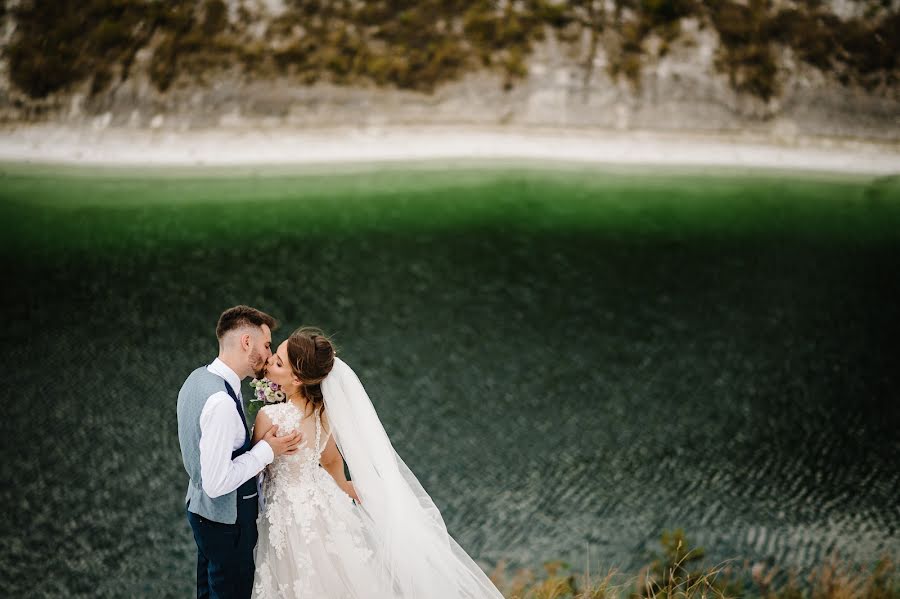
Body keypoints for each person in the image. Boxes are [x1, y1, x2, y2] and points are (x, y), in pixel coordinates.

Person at [251, 326, 504, 598]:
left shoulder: (270, 416)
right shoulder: (323, 412)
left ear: (298, 378)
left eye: (278, 362)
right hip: (322, 502)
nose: (269, 362)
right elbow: (331, 457)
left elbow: (255, 467)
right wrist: (342, 486)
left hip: (286, 511)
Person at [177, 306, 303, 599]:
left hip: (201, 511)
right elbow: (217, 482)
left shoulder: (197, 378)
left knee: (208, 590)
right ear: (247, 342)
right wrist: (266, 451)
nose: (269, 354)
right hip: (226, 523)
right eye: (267, 344)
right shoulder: (221, 402)